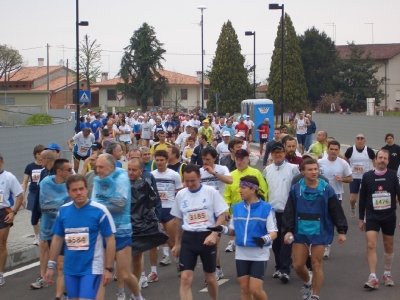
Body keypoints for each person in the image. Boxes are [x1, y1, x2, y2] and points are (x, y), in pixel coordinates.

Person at [282, 159, 348, 300]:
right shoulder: (296, 189)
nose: (313, 172)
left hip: (320, 230)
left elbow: (336, 210)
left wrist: (342, 231)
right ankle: (307, 282)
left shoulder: (326, 189)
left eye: (315, 169)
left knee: (316, 264)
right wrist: (288, 229)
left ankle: (315, 296)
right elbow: (289, 211)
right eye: (310, 169)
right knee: (298, 265)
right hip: (300, 231)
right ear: (303, 171)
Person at [44, 175, 116, 300]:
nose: (79, 193)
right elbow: (57, 238)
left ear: (87, 189)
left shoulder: (100, 210)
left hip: (92, 267)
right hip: (70, 268)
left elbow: (110, 240)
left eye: (81, 189)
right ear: (68, 192)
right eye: (74, 190)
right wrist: (51, 266)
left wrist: (109, 268)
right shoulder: (63, 211)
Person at [208, 175, 277, 300]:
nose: (239, 190)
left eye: (243, 187)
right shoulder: (237, 208)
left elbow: (273, 232)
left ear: (253, 189)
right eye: (240, 187)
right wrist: (221, 229)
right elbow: (233, 231)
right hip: (241, 254)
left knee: (255, 290)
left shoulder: (267, 208)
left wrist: (264, 239)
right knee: (244, 289)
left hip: (259, 254)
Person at [170, 165, 228, 300]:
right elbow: (177, 220)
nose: (189, 184)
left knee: (210, 279)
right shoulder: (181, 194)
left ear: (200, 177)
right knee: (185, 278)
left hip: (206, 236)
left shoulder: (210, 192)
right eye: (187, 181)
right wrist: (177, 243)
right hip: (188, 238)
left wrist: (214, 234)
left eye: (193, 181)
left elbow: (221, 215)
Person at [92, 154, 144, 300]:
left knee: (125, 274)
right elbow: (93, 202)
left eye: (101, 167)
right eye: (96, 167)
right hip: (102, 231)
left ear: (112, 167)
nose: (98, 170)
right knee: (98, 274)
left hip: (121, 231)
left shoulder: (122, 177)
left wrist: (100, 204)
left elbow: (119, 204)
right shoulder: (98, 179)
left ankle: (138, 297)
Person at [358, 149, 400, 289]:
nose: (382, 160)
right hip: (372, 216)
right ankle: (372, 277)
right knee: (371, 245)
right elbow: (362, 198)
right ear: (375, 159)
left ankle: (387, 273)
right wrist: (360, 218)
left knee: (388, 245)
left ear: (388, 161)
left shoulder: (393, 176)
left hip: (388, 216)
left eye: (385, 158)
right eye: (380, 157)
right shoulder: (367, 176)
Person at [264, 143, 299, 283]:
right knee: (276, 242)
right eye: (275, 152)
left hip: (288, 211)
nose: (278, 155)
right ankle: (279, 267)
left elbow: (297, 190)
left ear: (284, 153)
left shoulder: (293, 169)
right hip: (272, 212)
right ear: (272, 155)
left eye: (280, 152)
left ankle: (285, 270)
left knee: (287, 241)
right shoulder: (267, 171)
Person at [39, 158, 73, 300]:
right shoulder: (46, 183)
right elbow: (46, 207)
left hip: (68, 229)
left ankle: (61, 295)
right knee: (60, 265)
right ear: (59, 172)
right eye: (69, 170)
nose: (72, 172)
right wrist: (64, 203)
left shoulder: (72, 184)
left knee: (62, 264)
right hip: (50, 229)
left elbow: (74, 205)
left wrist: (59, 204)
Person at [224, 149, 268, 253]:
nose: (239, 162)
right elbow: (226, 195)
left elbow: (263, 191)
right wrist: (226, 209)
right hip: (237, 212)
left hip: (254, 211)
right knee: (239, 235)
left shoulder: (256, 173)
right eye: (237, 159)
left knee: (252, 235)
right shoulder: (231, 175)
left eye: (242, 159)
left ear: (248, 160)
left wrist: (262, 208)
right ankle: (233, 245)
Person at [149, 150, 183, 282]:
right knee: (154, 242)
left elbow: (180, 194)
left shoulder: (174, 175)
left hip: (170, 209)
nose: (159, 162)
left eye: (161, 160)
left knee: (171, 241)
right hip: (156, 210)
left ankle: (178, 263)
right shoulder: (151, 175)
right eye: (157, 160)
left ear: (166, 161)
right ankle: (153, 272)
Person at [200, 147, 232, 281]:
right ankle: (212, 268)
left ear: (214, 158)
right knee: (206, 242)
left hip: (219, 210)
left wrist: (214, 173)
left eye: (208, 159)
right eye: (203, 159)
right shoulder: (200, 171)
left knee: (216, 241)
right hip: (204, 210)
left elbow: (230, 181)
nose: (205, 162)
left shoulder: (222, 168)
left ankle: (217, 269)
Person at [318, 141, 353, 259]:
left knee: (331, 221)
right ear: (327, 150)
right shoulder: (320, 162)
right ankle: (318, 243)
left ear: (339, 151)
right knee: (320, 219)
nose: (333, 151)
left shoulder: (343, 164)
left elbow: (350, 178)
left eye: (336, 149)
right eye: (331, 149)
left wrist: (342, 179)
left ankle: (327, 245)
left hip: (336, 195)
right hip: (320, 195)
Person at [0, 154, 24, 286]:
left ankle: (0, 274)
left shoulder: (9, 177)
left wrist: (14, 213)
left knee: (1, 244)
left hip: (3, 212)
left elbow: (20, 195)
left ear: (2, 163)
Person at [344, 134, 376, 218]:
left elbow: (374, 159)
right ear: (355, 140)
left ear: (364, 141)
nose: (360, 140)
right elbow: (345, 158)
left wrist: (375, 170)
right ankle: (353, 207)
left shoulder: (369, 150)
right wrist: (348, 167)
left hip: (365, 178)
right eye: (358, 138)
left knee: (365, 198)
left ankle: (365, 214)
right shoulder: (351, 150)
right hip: (354, 177)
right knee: (353, 199)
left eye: (362, 139)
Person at [22, 144, 45, 245]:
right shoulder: (30, 167)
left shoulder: (46, 166)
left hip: (44, 194)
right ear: (35, 155)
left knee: (43, 216)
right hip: (34, 193)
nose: (41, 155)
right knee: (34, 215)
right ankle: (37, 236)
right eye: (39, 154)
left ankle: (43, 235)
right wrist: (22, 196)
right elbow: (25, 182)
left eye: (42, 153)